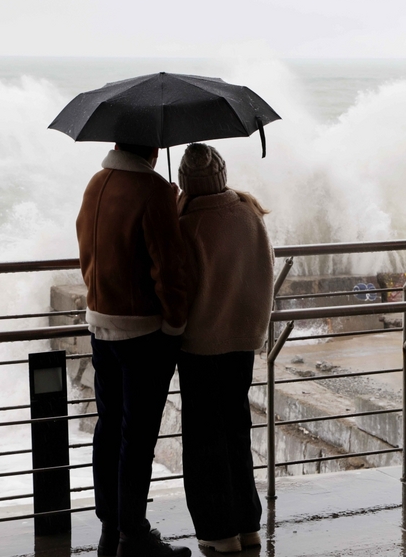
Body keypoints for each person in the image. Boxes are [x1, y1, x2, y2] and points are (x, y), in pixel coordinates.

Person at [76, 143, 191, 557]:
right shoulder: (154, 190)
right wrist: (175, 325)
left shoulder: (96, 183)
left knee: (108, 429)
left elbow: (88, 253)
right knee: (137, 437)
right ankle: (134, 535)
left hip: (100, 324)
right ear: (152, 148)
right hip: (143, 332)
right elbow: (169, 268)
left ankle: (111, 526)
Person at [175, 143, 274, 554]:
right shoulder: (249, 212)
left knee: (203, 438)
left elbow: (179, 286)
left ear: (185, 182)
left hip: (200, 345)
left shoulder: (187, 223)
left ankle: (218, 533)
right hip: (243, 342)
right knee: (236, 429)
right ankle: (247, 524)